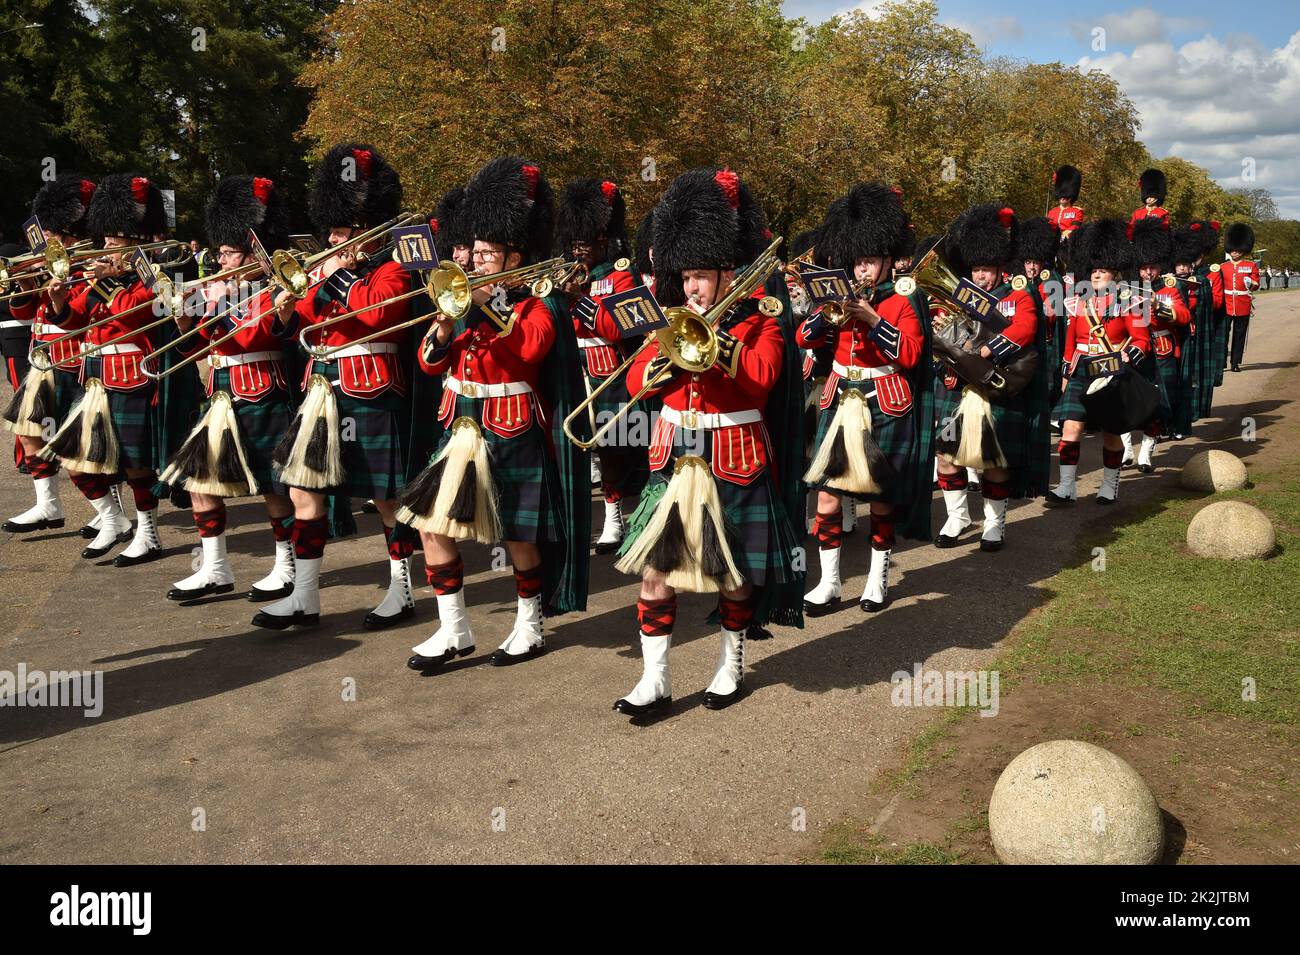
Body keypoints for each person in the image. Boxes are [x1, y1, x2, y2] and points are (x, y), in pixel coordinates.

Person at [611, 167, 803, 714]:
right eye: (685, 275)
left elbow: (763, 380)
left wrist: (715, 344)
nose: (691, 287)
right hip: (673, 457)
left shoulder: (760, 320)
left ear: (727, 272)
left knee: (732, 574)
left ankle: (730, 663)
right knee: (654, 574)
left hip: (735, 456)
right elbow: (632, 383)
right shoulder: (669, 320)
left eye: (700, 276)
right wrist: (667, 358)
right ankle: (655, 679)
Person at [402, 156, 589, 671]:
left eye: (487, 254)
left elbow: (527, 353)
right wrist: (443, 327)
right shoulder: (463, 295)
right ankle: (453, 628)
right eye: (476, 251)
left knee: (517, 534)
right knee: (430, 525)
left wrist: (488, 305)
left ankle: (529, 624)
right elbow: (426, 361)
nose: (477, 261)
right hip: (459, 420)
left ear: (513, 256)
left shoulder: (539, 303)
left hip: (512, 426)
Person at [254, 142, 412, 630]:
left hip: (371, 389)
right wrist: (284, 305)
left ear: (364, 231)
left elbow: (379, 312)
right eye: (332, 229)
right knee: (302, 488)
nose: (332, 238)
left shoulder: (394, 266)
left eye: (341, 230)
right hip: (320, 388)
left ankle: (401, 588)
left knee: (386, 498)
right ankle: (305, 595)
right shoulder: (324, 274)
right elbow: (297, 325)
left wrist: (338, 277)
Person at [158, 175, 299, 602]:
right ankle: (215, 566)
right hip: (220, 391)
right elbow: (199, 346)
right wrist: (185, 322)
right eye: (218, 252)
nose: (221, 261)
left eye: (229, 252)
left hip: (263, 392)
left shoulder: (274, 289)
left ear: (254, 250)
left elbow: (254, 338)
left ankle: (286, 563)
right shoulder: (224, 290)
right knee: (199, 479)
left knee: (272, 487)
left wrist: (221, 302)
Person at [798, 183, 929, 613]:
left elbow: (910, 353)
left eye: (870, 262)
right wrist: (826, 319)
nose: (862, 270)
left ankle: (877, 578)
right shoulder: (839, 294)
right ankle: (830, 582)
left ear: (887, 262)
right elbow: (801, 335)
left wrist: (873, 320)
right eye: (858, 262)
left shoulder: (902, 300)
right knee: (828, 495)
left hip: (883, 399)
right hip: (839, 397)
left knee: (879, 497)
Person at [38, 174, 174, 564]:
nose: (107, 245)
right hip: (95, 376)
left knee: (135, 464)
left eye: (116, 239)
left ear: (135, 241)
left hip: (132, 374)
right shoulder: (99, 276)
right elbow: (73, 321)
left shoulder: (152, 277)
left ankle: (148, 532)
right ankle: (113, 519)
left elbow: (136, 316)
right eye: (107, 238)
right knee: (77, 454)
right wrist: (60, 300)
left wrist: (109, 283)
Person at [933, 204, 1048, 550]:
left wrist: (989, 349)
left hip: (996, 386)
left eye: (986, 269)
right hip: (960, 387)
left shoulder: (1017, 294)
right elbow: (947, 335)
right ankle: (957, 516)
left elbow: (1025, 327)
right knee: (945, 455)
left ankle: (995, 523)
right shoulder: (960, 295)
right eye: (976, 269)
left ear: (999, 268)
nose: (980, 275)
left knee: (994, 460)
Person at [3, 174, 105, 536]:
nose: (45, 238)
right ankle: (48, 504)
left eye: (52, 233)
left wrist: (58, 288)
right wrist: (27, 283)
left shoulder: (90, 263)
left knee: (83, 443)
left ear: (69, 232)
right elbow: (23, 313)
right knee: (29, 431)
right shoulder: (48, 259)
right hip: (44, 357)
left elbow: (80, 311)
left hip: (76, 359)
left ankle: (111, 512)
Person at [553, 177, 646, 555]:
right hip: (573, 368)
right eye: (574, 242)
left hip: (610, 374)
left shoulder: (621, 276)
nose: (578, 249)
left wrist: (582, 301)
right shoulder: (567, 273)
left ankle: (614, 518)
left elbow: (622, 327)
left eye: (585, 242)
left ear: (603, 240)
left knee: (612, 449)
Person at [1046, 218, 1151, 506]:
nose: (1095, 276)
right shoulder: (1079, 303)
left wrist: (1129, 356)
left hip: (1111, 370)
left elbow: (1142, 341)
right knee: (1071, 428)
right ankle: (1067, 487)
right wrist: (1066, 374)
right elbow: (1070, 343)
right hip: (1082, 368)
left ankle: (1110, 484)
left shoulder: (1132, 301)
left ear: (1115, 274)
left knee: (1110, 432)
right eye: (1093, 270)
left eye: (1101, 271)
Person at [1128, 217, 1189, 472]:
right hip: (1135, 349)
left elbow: (1184, 317)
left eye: (1152, 267)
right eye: (1144, 268)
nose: (1148, 273)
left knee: (1160, 402)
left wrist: (1159, 307)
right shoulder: (1128, 288)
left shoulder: (1169, 289)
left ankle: (1146, 453)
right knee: (1131, 401)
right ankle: (1125, 450)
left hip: (1162, 347)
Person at [1221, 223, 1259, 373]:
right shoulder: (1223, 266)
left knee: (1239, 335)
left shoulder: (1251, 266)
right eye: (1232, 250)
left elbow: (1256, 284)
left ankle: (1235, 362)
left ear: (1243, 250)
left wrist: (1251, 284)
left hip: (1243, 304)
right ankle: (1222, 361)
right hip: (1226, 303)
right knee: (1223, 335)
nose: (1235, 253)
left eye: (1238, 250)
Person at [1046, 165, 1084, 242]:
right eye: (1061, 195)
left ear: (1071, 196)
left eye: (1065, 196)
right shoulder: (1052, 212)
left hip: (1067, 243)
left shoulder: (1077, 211)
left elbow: (1075, 226)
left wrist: (1065, 234)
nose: (1062, 197)